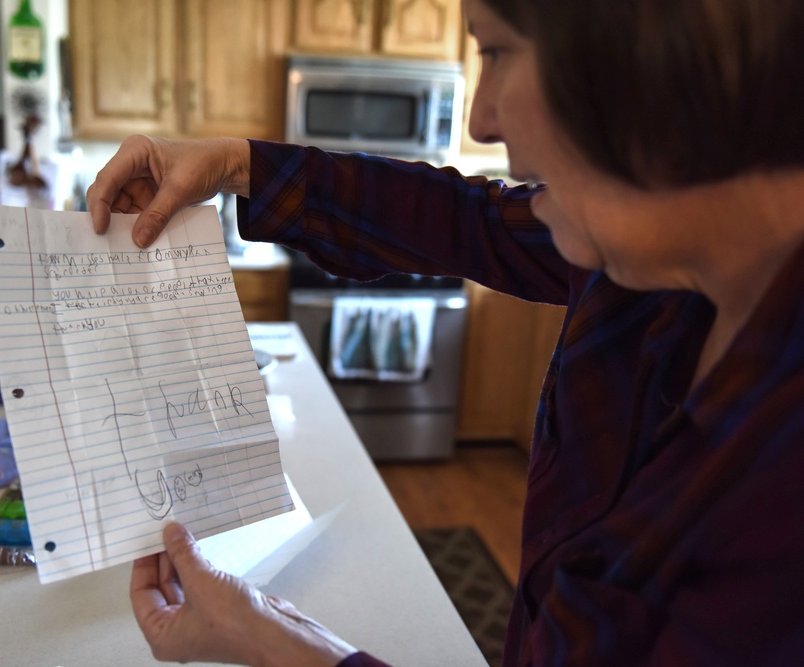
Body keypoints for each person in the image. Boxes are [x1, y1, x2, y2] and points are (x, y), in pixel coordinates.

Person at [87, 0, 804, 663]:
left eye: (495, 51)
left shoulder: (769, 497)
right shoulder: (641, 258)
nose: (481, 121)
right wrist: (238, 163)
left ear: (650, 54)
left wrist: (266, 638)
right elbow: (471, 219)